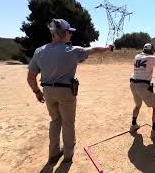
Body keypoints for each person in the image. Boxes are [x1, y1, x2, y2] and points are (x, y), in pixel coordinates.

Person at [27, 18, 112, 164]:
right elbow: (95, 50)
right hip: (66, 92)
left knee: (55, 121)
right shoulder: (73, 51)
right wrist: (109, 48)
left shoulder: (39, 51)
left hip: (47, 91)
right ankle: (68, 155)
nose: (71, 35)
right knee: (68, 123)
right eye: (70, 32)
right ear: (64, 32)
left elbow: (30, 77)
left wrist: (37, 92)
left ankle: (53, 154)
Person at [129, 43, 155, 139]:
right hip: (143, 85)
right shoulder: (152, 57)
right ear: (152, 50)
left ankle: (133, 125)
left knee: (137, 105)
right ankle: (154, 130)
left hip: (133, 83)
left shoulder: (137, 56)